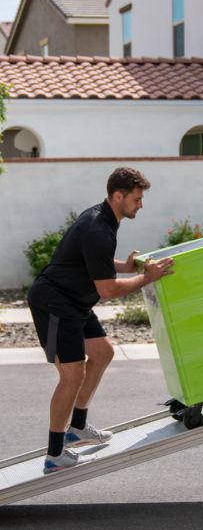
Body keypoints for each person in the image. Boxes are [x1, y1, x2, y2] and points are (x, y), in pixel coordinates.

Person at [27, 166, 174, 474]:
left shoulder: (104, 218)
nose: (141, 205)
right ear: (118, 196)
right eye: (136, 198)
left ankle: (77, 427)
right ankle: (55, 454)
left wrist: (125, 265)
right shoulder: (98, 229)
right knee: (71, 375)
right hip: (55, 302)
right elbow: (106, 290)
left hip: (75, 301)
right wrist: (146, 278)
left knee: (103, 352)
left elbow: (94, 261)